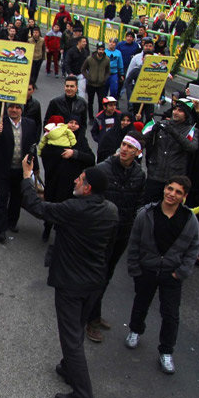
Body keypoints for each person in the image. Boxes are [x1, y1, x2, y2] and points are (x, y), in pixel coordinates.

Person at [19, 159, 119, 398]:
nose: (75, 180)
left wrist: (27, 177)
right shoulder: (111, 210)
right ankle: (67, 367)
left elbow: (36, 206)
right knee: (77, 328)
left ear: (88, 188)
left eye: (80, 179)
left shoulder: (74, 209)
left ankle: (83, 394)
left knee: (71, 338)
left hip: (71, 284)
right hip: (95, 282)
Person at [124, 176, 199, 374]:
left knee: (171, 315)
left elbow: (193, 247)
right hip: (147, 270)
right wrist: (134, 268)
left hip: (171, 274)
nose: (172, 194)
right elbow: (134, 242)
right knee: (141, 303)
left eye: (178, 192)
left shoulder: (190, 219)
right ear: (165, 189)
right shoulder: (146, 214)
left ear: (184, 197)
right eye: (170, 189)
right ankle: (135, 330)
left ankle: (166, 351)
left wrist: (181, 272)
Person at [86, 131, 147, 342]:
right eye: (123, 144)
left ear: (138, 152)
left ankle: (94, 312)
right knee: (97, 274)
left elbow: (139, 202)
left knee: (107, 274)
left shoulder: (140, 175)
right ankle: (89, 319)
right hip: (102, 232)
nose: (125, 149)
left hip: (122, 233)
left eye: (130, 147)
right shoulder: (103, 169)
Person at [0, 102, 39, 242]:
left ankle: (12, 222)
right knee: (2, 198)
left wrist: (35, 167)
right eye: (11, 107)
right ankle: (1, 229)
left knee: (17, 197)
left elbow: (32, 146)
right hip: (3, 169)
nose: (14, 110)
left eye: (17, 108)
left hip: (21, 170)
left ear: (21, 110)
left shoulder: (30, 124)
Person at [142, 99, 198, 203]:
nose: (175, 112)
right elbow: (142, 143)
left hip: (174, 179)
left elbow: (192, 147)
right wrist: (152, 131)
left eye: (180, 111)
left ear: (186, 114)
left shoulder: (191, 130)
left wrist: (174, 132)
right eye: (175, 109)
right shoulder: (163, 124)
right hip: (155, 175)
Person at [81, 43, 110, 120]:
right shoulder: (90, 59)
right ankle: (91, 117)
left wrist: (105, 78)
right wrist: (88, 77)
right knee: (90, 102)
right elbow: (83, 69)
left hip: (101, 84)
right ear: (97, 50)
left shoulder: (107, 59)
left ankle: (100, 117)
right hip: (91, 84)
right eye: (99, 49)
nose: (101, 51)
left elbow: (108, 71)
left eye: (102, 49)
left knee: (101, 102)